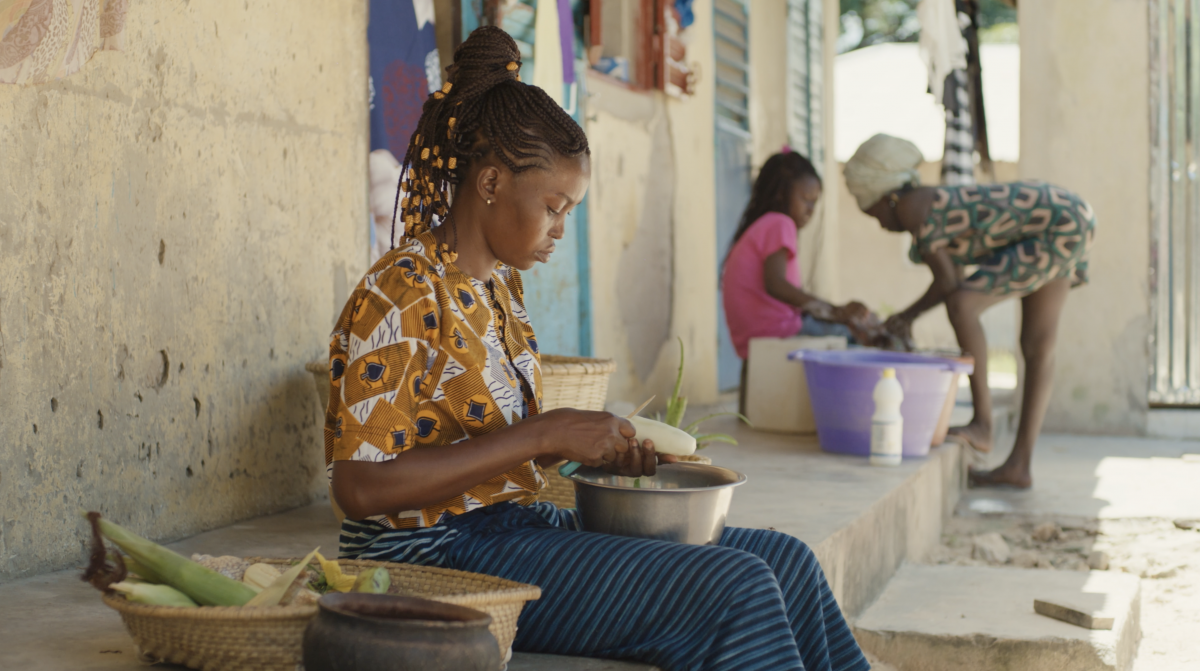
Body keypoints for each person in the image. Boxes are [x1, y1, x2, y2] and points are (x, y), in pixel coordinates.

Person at [323, 27, 869, 671]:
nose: (559, 229)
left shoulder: (499, 290)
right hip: (429, 553)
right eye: (553, 207)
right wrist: (541, 434)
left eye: (570, 212)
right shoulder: (401, 294)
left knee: (786, 561)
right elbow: (358, 490)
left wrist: (580, 451)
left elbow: (497, 451)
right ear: (492, 183)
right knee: (736, 586)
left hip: (511, 529)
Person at [844, 134, 1095, 489]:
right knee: (1038, 346)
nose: (880, 223)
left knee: (963, 306)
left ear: (887, 196)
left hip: (1056, 224)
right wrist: (905, 316)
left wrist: (905, 317)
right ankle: (1019, 466)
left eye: (873, 212)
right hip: (1068, 216)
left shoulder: (913, 208)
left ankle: (983, 425)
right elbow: (951, 279)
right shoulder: (929, 201)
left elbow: (949, 286)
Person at [722, 150, 877, 361]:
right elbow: (775, 283)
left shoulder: (761, 227)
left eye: (815, 202)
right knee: (862, 336)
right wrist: (834, 311)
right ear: (781, 194)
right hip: (777, 330)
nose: (810, 209)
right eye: (805, 199)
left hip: (756, 334)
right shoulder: (780, 223)